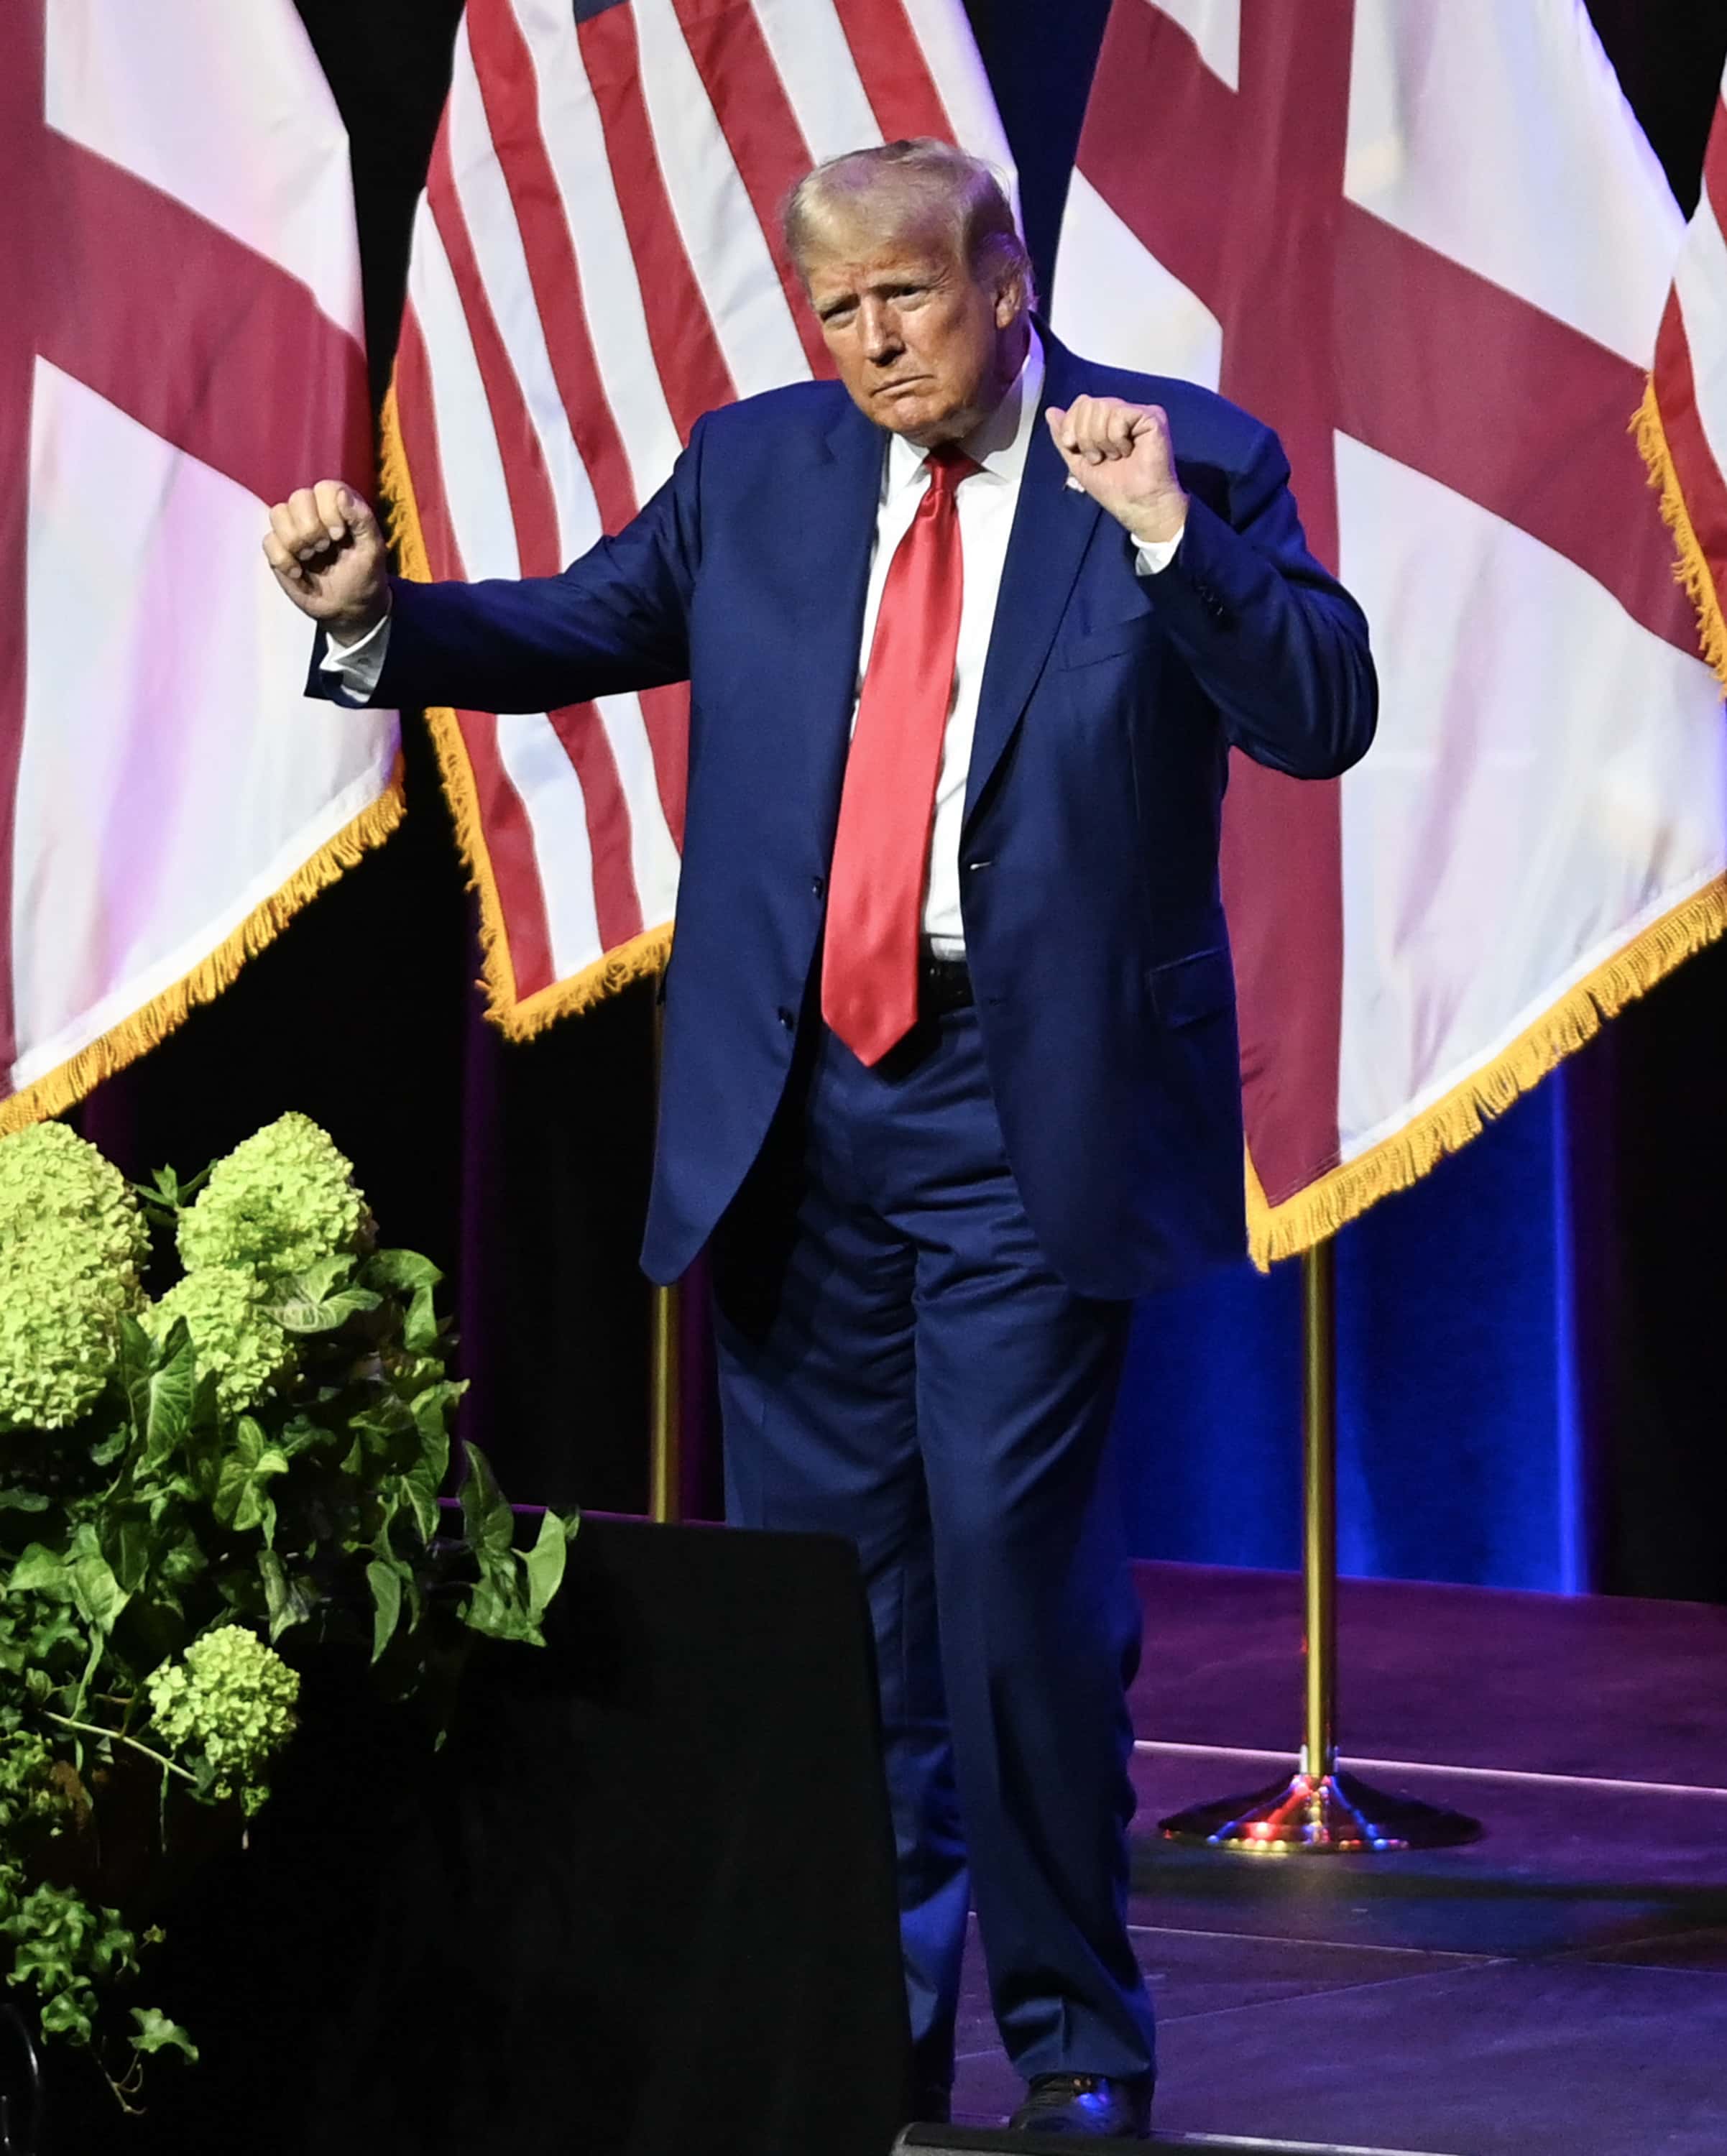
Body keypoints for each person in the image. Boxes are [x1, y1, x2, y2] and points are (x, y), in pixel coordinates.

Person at [270, 140, 1376, 2139]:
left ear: (1005, 280)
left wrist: (1159, 539)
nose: (873, 343)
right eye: (836, 308)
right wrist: (382, 618)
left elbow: (1317, 709)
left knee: (1015, 1592)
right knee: (836, 1606)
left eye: (909, 299)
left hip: (1021, 1107)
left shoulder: (1180, 453)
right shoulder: (760, 466)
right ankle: (851, 2030)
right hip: (795, 1115)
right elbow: (580, 624)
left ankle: (1072, 2039)